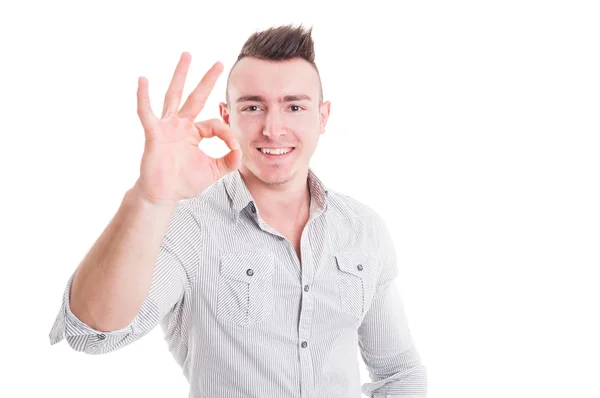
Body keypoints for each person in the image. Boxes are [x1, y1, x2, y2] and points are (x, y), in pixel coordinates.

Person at [48, 24, 427, 398]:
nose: (273, 128)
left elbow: (399, 372)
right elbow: (92, 332)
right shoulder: (191, 228)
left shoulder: (362, 228)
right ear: (227, 115)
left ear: (322, 117)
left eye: (294, 106)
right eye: (253, 107)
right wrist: (150, 198)